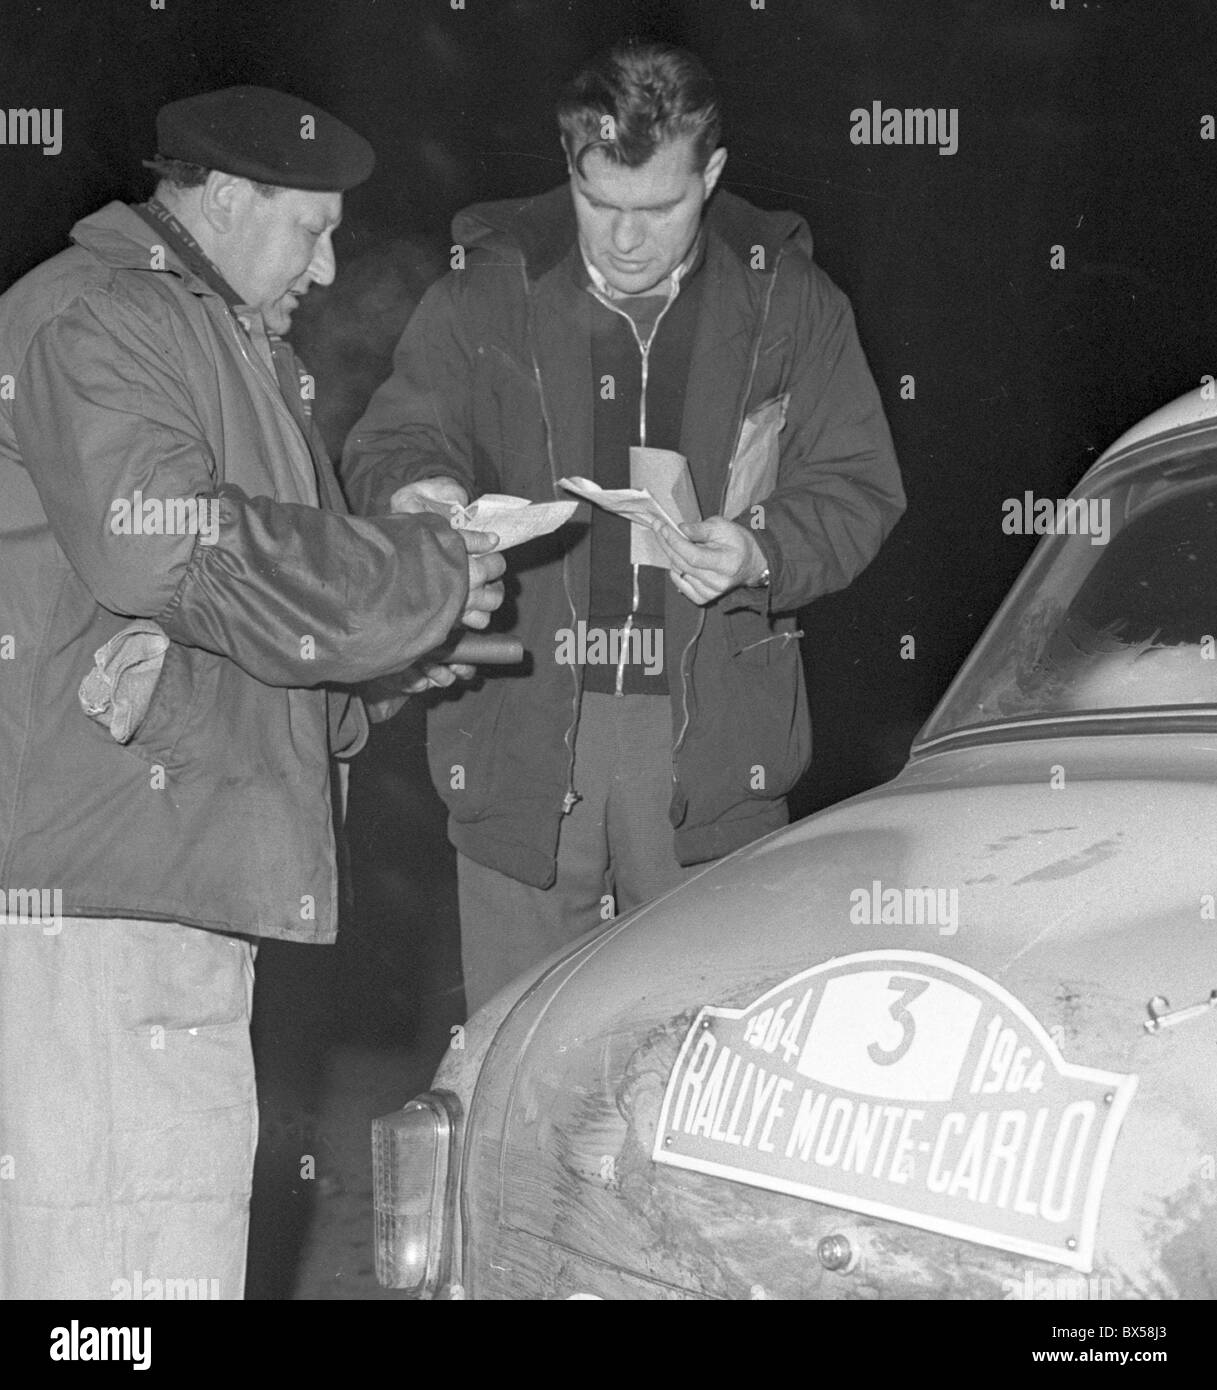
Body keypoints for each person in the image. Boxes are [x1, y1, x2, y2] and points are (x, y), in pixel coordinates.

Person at [0, 85, 504, 1299]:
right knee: (120, 1275)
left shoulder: (222, 347)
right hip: (107, 889)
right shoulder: (102, 319)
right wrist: (416, 568)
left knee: (150, 1253)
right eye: (308, 228)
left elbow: (245, 636)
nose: (328, 268)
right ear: (221, 199)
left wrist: (389, 655)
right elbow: (160, 551)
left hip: (167, 874)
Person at [343, 42, 904, 1015]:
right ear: (570, 171)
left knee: (698, 1052)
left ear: (711, 175)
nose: (627, 239)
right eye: (601, 205)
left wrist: (760, 547)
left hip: (710, 746)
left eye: (658, 209)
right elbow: (396, 435)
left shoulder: (789, 302)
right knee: (518, 1047)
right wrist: (418, 491)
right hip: (523, 725)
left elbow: (856, 485)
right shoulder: (488, 290)